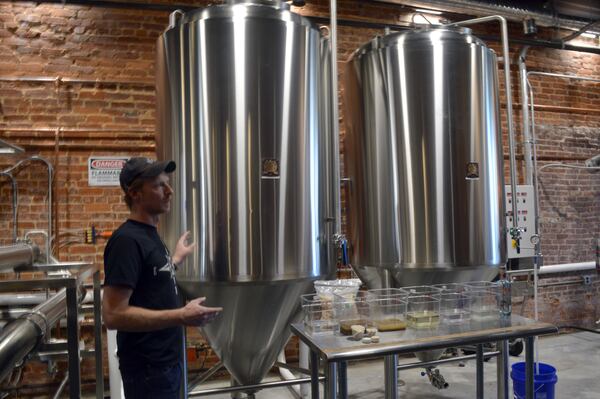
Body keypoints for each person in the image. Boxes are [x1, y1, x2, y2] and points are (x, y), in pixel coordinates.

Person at [102, 157, 222, 399]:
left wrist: (174, 260)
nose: (170, 191)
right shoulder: (126, 241)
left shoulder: (150, 236)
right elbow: (113, 314)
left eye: (167, 183)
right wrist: (181, 316)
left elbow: (150, 282)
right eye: (159, 185)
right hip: (148, 370)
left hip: (166, 363)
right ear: (135, 193)